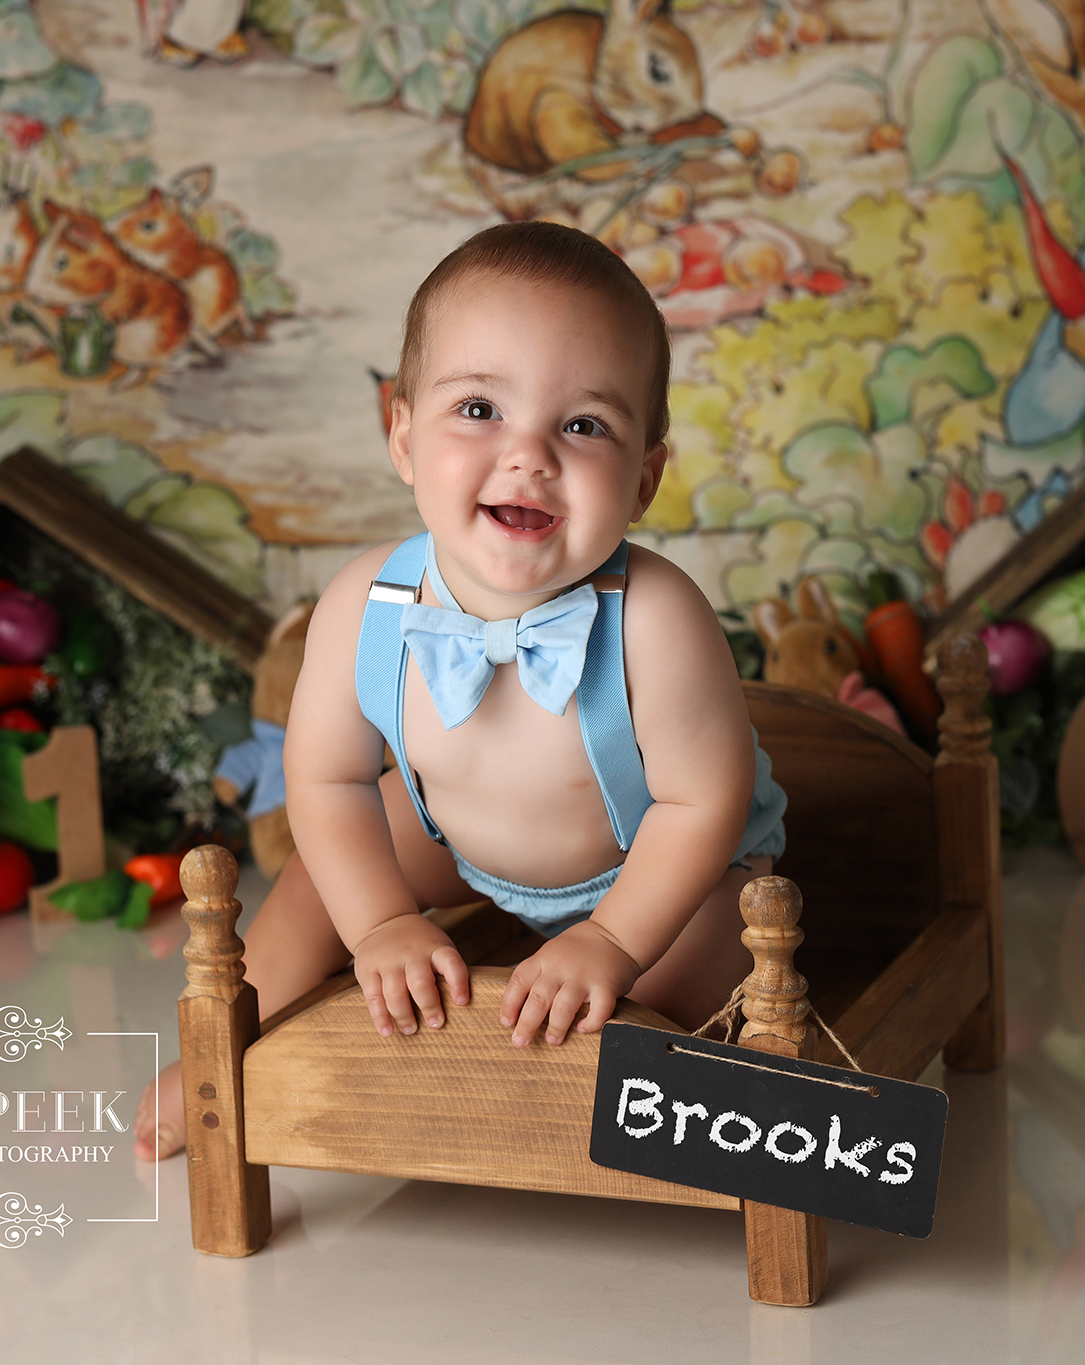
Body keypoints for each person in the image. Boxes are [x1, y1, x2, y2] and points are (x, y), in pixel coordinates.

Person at [134, 221, 785, 1159]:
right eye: (479, 408)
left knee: (711, 987)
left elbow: (703, 803)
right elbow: (328, 783)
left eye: (584, 425)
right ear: (401, 432)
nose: (529, 455)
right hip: (459, 841)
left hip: (661, 871)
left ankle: (645, 1119)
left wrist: (611, 941)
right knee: (326, 876)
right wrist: (384, 923)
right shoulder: (368, 602)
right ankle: (216, 1055)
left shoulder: (657, 617)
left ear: (644, 478)